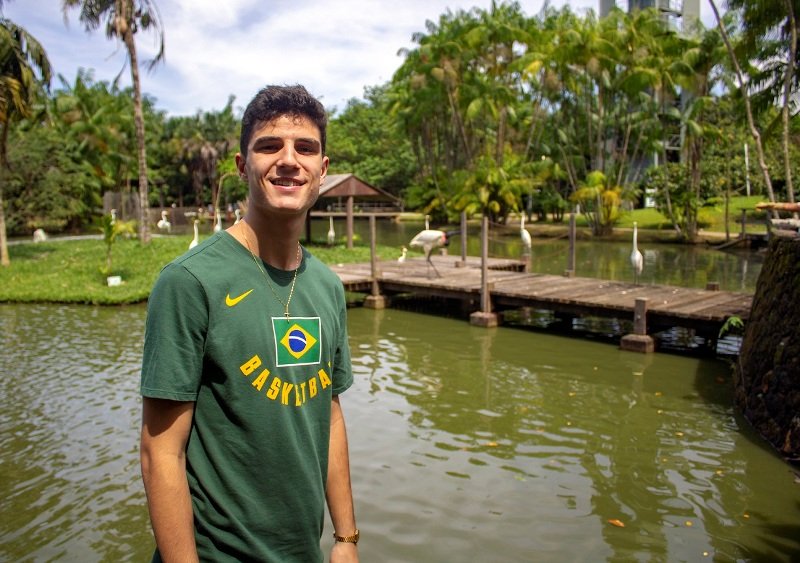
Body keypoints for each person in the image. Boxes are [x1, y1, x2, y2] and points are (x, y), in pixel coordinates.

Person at [140, 85, 359, 563]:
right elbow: (161, 453)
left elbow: (330, 414)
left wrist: (345, 538)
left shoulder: (327, 286)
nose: (289, 160)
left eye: (305, 148)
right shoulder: (189, 282)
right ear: (243, 165)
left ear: (323, 168)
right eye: (269, 146)